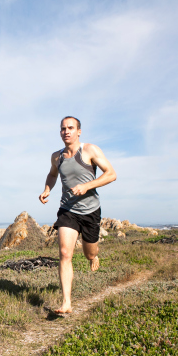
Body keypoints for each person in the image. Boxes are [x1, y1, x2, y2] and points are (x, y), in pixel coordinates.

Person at [39, 116, 116, 314]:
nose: (66, 131)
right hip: (67, 210)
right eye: (63, 128)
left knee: (90, 252)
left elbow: (111, 174)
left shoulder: (90, 150)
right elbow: (53, 174)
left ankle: (92, 257)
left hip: (91, 210)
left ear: (79, 131)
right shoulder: (57, 156)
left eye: (70, 128)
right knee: (65, 253)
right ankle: (66, 303)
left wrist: (86, 186)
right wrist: (47, 189)